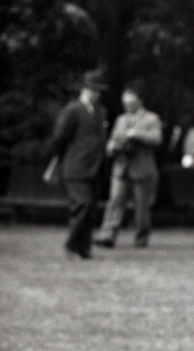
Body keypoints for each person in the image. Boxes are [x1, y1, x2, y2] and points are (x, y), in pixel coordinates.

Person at [45, 68, 108, 259]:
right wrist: (62, 157)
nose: (97, 93)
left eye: (99, 90)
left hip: (95, 168)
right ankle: (71, 245)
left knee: (91, 210)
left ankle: (84, 249)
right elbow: (59, 138)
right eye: (93, 89)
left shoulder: (100, 111)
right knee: (82, 204)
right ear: (85, 89)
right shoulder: (73, 110)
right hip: (76, 167)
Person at [94, 82, 163, 248]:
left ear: (140, 101)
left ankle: (141, 239)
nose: (128, 106)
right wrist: (111, 147)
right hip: (121, 168)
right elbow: (113, 139)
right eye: (125, 104)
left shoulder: (151, 118)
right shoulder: (121, 119)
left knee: (142, 208)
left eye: (131, 103)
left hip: (142, 169)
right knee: (115, 202)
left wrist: (137, 134)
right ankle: (107, 236)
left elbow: (157, 139)